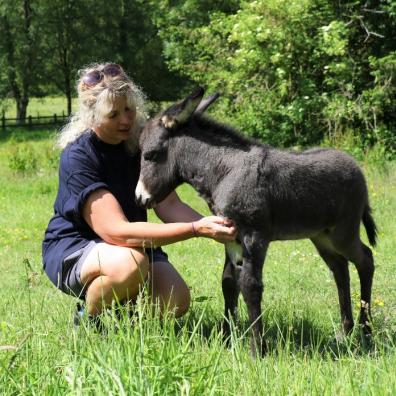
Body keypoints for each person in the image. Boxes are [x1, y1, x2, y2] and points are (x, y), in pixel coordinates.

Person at [42, 62, 236, 322]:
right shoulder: (79, 158)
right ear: (92, 117)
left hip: (132, 248)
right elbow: (116, 231)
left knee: (174, 300)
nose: (125, 120)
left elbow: (168, 204)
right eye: (113, 115)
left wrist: (217, 225)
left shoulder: (138, 146)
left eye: (129, 109)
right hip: (77, 247)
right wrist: (195, 229)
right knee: (129, 265)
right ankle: (89, 318)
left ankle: (124, 323)